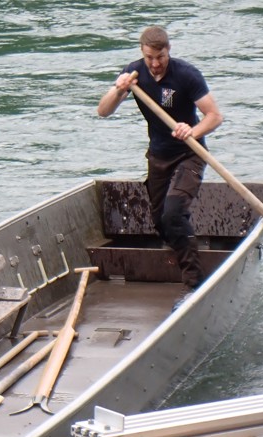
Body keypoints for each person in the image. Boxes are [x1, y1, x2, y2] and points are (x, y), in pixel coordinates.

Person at [97, 25, 222, 304]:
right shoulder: (134, 73)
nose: (155, 64)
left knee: (173, 213)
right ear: (143, 53)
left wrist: (193, 131)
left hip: (189, 153)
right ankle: (183, 245)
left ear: (169, 51)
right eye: (150, 57)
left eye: (160, 57)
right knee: (159, 221)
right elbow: (103, 111)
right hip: (158, 157)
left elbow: (214, 116)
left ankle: (195, 284)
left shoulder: (186, 75)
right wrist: (118, 91)